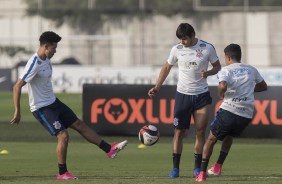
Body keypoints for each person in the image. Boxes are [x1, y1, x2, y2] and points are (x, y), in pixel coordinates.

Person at [10, 31, 128, 180]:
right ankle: (62, 173)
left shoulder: (46, 58)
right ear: (46, 47)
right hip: (41, 108)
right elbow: (17, 86)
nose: (55, 51)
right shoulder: (34, 63)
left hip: (53, 102)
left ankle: (109, 149)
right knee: (63, 136)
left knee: (79, 124)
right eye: (54, 48)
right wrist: (17, 111)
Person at [148, 23, 221, 178]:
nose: (183, 42)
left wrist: (208, 73)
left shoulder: (207, 47)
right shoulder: (177, 49)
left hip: (201, 95)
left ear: (193, 34)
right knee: (179, 132)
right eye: (180, 39)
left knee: (200, 132)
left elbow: (217, 67)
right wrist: (157, 87)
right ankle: (175, 168)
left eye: (185, 39)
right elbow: (166, 68)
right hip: (183, 95)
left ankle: (196, 168)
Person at [196, 43, 267, 182]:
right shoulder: (251, 69)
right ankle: (217, 166)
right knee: (229, 135)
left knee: (211, 139)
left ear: (228, 57)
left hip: (230, 110)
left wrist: (221, 94)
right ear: (240, 56)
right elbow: (263, 86)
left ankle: (202, 174)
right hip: (246, 114)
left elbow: (222, 85)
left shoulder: (226, 70)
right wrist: (247, 91)